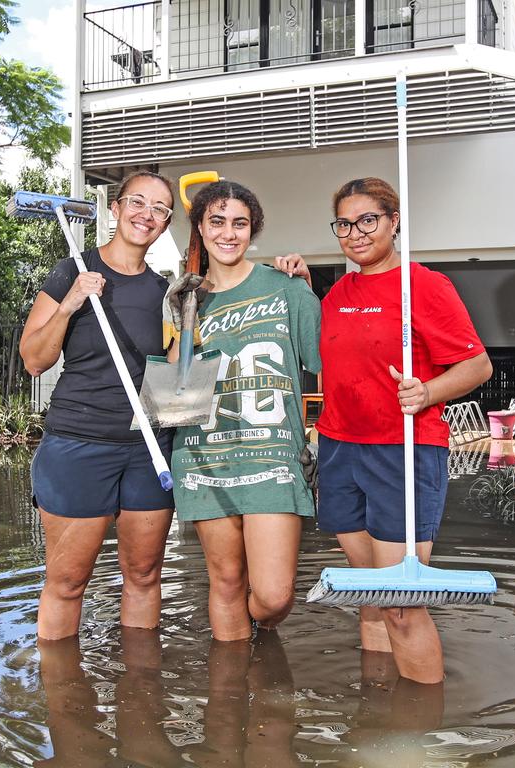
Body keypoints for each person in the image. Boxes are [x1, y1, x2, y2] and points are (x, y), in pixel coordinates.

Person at [315, 177, 492, 684]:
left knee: (400, 604)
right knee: (370, 598)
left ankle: (419, 733)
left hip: (404, 451)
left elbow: (477, 365)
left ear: (394, 222)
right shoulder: (338, 294)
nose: (356, 233)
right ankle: (378, 709)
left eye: (369, 219)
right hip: (340, 449)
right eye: (345, 224)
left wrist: (427, 392)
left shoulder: (426, 286)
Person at [20, 171, 178, 641]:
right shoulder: (73, 268)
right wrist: (69, 304)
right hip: (78, 444)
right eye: (137, 202)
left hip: (148, 447)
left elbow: (172, 375)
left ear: (166, 223)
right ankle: (61, 701)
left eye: (159, 209)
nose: (145, 215)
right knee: (68, 582)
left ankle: (141, 689)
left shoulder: (164, 291)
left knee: (146, 575)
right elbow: (34, 360)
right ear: (115, 207)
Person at [169, 180, 321, 642]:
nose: (228, 233)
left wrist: (311, 289)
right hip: (205, 457)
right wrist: (181, 324)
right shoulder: (187, 298)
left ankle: (259, 632)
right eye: (217, 222)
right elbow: (175, 394)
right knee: (227, 582)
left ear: (253, 229)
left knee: (275, 597)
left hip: (273, 457)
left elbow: (326, 362)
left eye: (240, 223)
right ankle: (232, 691)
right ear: (200, 227)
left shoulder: (287, 290)